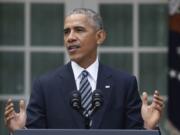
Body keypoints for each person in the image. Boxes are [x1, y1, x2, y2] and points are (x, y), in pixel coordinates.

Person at [4, 8, 164, 132]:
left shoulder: (124, 83)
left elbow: (134, 132)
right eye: (66, 32)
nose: (70, 37)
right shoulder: (45, 85)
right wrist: (20, 132)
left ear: (99, 37)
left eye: (79, 30)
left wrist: (148, 128)